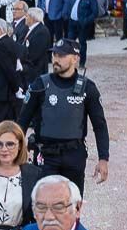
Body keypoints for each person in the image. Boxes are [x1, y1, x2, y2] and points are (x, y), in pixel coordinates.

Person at [17, 39, 109, 196]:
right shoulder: (40, 85)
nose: (56, 59)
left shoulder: (88, 88)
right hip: (46, 155)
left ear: (75, 58)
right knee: (44, 202)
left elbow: (99, 125)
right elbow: (22, 121)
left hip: (75, 155)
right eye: (54, 54)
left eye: (61, 55)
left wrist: (103, 159)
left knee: (73, 203)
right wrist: (16, 151)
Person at [20, 7, 52, 87]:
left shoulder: (41, 32)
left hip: (36, 71)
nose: (25, 18)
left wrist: (22, 63)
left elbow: (35, 54)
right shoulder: (29, 29)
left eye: (27, 16)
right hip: (28, 70)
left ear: (33, 18)